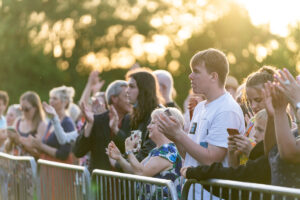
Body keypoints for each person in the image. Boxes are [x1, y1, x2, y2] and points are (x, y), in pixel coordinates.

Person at [157, 48, 245, 200]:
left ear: (213, 76)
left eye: (196, 71)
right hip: (194, 193)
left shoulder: (226, 109)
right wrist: (175, 136)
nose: (190, 76)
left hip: (213, 195)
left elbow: (211, 159)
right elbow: (190, 155)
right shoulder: (200, 107)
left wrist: (179, 133)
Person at [107, 107, 183, 199]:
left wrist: (129, 151)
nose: (148, 127)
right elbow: (134, 170)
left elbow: (141, 172)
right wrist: (119, 157)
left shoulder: (168, 151)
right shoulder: (156, 150)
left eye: (153, 123)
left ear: (165, 125)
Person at [73, 80, 132, 172]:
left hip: (123, 183)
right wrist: (89, 124)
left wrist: (116, 130)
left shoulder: (133, 121)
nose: (130, 100)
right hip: (99, 184)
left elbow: (129, 150)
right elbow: (78, 151)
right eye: (126, 96)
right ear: (114, 98)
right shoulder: (96, 119)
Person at [228, 66, 276, 167]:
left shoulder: (284, 124)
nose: (253, 106)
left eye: (258, 100)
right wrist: (232, 152)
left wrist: (251, 151)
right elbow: (235, 167)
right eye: (249, 102)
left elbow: (272, 167)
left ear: (272, 95)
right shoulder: (252, 122)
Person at [264, 68, 300, 189]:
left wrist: (297, 102)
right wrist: (275, 113)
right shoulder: (295, 132)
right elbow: (271, 153)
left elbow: (291, 154)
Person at [32, 86, 76, 163]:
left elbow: (63, 154)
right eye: (50, 98)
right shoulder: (51, 121)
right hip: (47, 166)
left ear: (64, 102)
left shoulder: (67, 123)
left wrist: (41, 146)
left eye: (55, 98)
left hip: (59, 170)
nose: (51, 101)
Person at [125, 68, 161, 162]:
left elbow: (147, 153)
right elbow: (135, 149)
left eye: (132, 87)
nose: (127, 91)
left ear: (144, 89)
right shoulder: (138, 113)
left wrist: (119, 163)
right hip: (139, 171)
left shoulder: (158, 114)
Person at [5, 91, 47, 157]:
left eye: (27, 109)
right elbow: (7, 148)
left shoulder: (41, 125)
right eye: (21, 109)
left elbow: (38, 152)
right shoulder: (18, 121)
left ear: (36, 108)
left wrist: (19, 140)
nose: (24, 112)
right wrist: (10, 139)